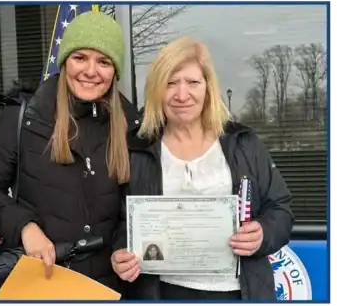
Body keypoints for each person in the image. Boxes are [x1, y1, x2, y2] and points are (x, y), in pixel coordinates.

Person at [0, 11, 140, 299]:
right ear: (64, 61)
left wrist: (123, 246)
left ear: (115, 71)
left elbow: (133, 207)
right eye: (80, 57)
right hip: (40, 283)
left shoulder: (130, 126)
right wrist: (23, 225)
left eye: (104, 61)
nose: (91, 71)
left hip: (109, 287)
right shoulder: (24, 119)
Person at [110, 36, 294, 300]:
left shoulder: (243, 143)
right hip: (160, 292)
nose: (182, 95)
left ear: (208, 87)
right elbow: (120, 222)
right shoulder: (137, 150)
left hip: (236, 292)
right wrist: (120, 253)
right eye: (170, 83)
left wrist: (263, 233)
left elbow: (281, 209)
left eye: (193, 82)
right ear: (157, 90)